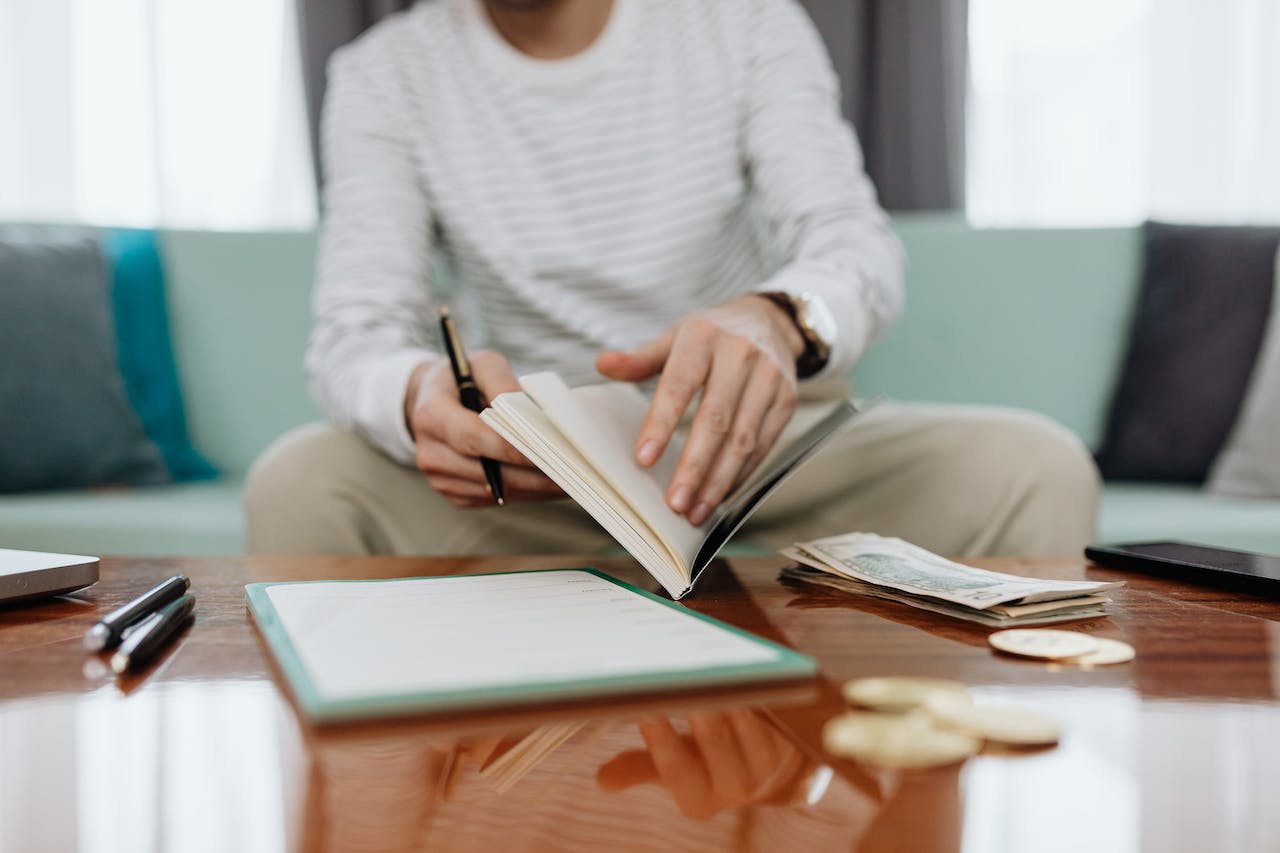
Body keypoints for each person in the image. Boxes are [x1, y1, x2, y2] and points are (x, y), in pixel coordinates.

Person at [246, 0, 1099, 558]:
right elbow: (356, 335)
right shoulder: (382, 75)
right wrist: (422, 394)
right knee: (301, 484)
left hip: (765, 449)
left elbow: (854, 244)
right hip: (538, 474)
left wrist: (773, 321)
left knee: (1039, 470)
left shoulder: (745, 22)